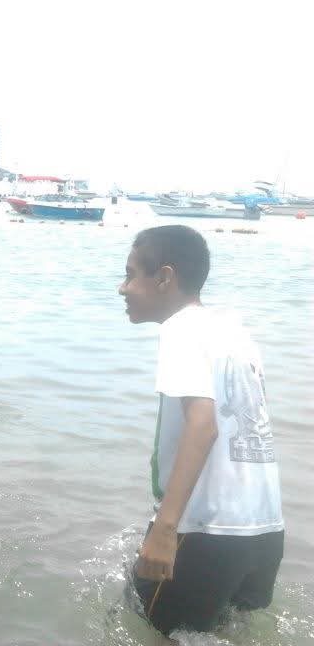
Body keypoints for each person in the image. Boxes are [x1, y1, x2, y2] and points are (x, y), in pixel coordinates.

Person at [119, 224, 284, 636]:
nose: (123, 288)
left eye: (130, 275)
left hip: (205, 531)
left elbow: (203, 424)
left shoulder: (180, 328)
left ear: (165, 277)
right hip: (264, 531)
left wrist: (165, 529)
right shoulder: (235, 332)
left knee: (143, 629)